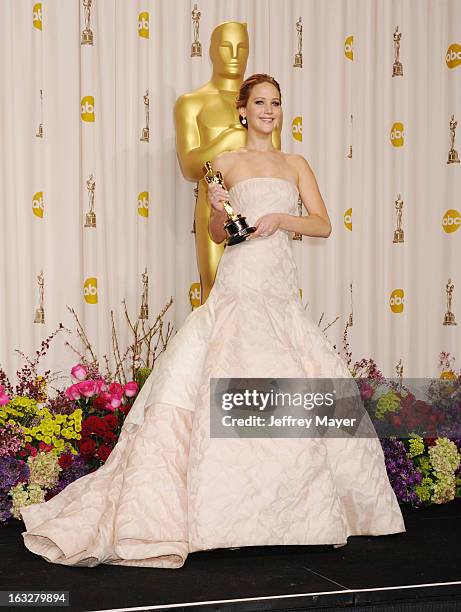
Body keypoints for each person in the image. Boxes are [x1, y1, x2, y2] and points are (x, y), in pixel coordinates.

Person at [20, 74, 405, 569]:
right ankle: (224, 517)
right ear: (242, 111)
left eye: (276, 103)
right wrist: (224, 213)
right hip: (240, 283)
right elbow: (217, 232)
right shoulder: (221, 165)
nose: (269, 110)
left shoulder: (295, 164)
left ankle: (304, 516)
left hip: (279, 290)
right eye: (260, 103)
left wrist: (281, 220)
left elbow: (323, 223)